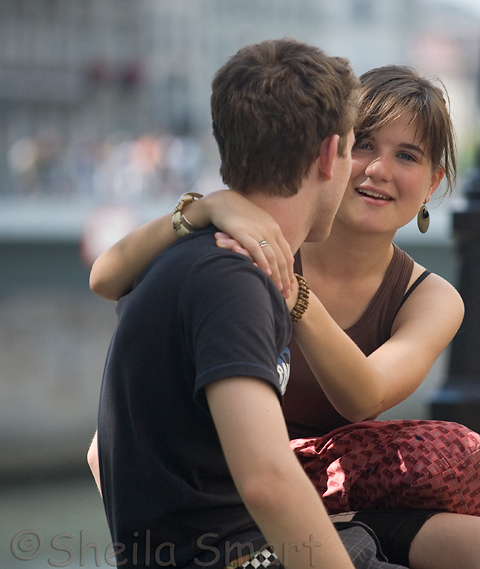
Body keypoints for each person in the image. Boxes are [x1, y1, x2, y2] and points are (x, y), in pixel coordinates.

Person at [88, 65, 480, 569]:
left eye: (406, 156)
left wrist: (295, 296)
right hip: (239, 509)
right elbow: (105, 277)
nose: (378, 170)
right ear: (329, 154)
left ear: (432, 184)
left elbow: (364, 395)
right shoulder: (247, 241)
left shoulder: (430, 296)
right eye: (364, 146)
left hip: (337, 500)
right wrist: (203, 209)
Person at [93, 38, 367, 569]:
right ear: (330, 154)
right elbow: (267, 480)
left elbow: (98, 452)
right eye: (356, 147)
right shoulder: (233, 279)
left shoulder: (187, 259)